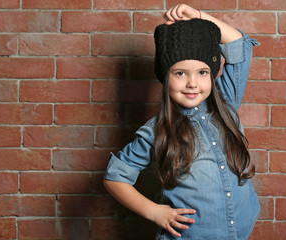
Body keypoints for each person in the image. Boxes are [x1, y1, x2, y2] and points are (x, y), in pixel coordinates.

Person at [103, 4, 261, 240]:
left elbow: (239, 44)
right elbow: (114, 177)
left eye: (202, 72)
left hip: (240, 231)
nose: (192, 83)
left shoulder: (226, 102)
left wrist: (197, 17)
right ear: (165, 77)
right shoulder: (155, 131)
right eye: (180, 73)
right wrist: (154, 211)